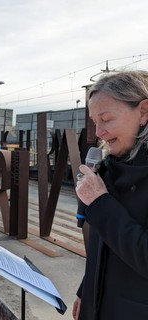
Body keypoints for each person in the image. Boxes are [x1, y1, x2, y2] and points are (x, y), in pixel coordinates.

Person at [72, 70, 148, 320]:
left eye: (106, 118)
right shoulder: (109, 167)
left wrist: (101, 203)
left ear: (144, 112)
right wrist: (86, 290)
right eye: (95, 121)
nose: (98, 132)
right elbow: (102, 245)